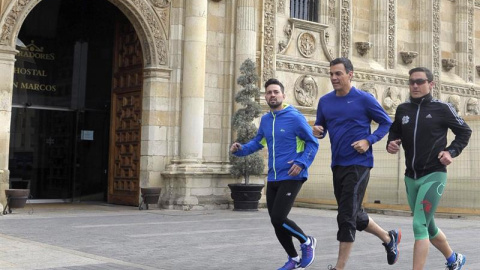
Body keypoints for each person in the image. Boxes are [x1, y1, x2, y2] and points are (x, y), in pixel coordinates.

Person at [313, 57, 400, 270]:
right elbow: (320, 129)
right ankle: (388, 238)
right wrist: (316, 131)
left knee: (345, 216)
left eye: (338, 74)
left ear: (350, 74)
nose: (333, 77)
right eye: (331, 74)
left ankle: (339, 267)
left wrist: (368, 141)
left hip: (359, 164)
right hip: (338, 164)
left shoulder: (364, 99)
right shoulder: (325, 101)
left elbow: (386, 122)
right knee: (354, 213)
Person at [386, 67, 472, 270]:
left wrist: (451, 151)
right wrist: (391, 143)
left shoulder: (442, 108)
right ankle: (454, 259)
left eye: (420, 81)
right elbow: (394, 131)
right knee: (428, 225)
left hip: (434, 175)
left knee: (419, 225)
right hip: (410, 177)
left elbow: (464, 132)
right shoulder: (403, 109)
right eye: (411, 82)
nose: (415, 85)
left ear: (431, 84)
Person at [231, 78, 319, 270]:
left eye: (275, 92)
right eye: (269, 92)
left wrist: (302, 162)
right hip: (273, 176)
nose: (272, 95)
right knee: (276, 222)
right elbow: (257, 143)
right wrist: (240, 149)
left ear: (283, 95)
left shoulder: (295, 117)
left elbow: (313, 142)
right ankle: (294, 259)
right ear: (266, 96)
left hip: (292, 175)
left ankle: (307, 241)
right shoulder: (265, 120)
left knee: (279, 218)